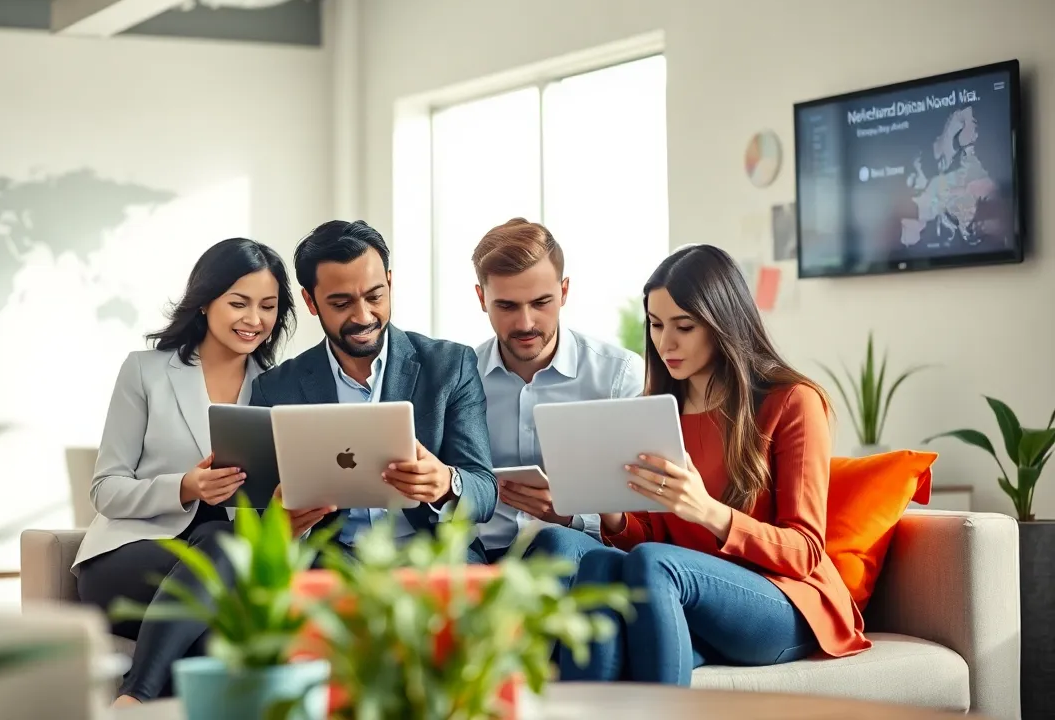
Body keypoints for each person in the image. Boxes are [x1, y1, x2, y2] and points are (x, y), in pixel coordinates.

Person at [529, 243, 870, 685]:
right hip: (687, 593)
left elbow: (804, 551)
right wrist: (607, 509)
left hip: (788, 600)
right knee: (595, 564)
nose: (665, 343)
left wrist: (707, 510)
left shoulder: (792, 401)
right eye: (655, 325)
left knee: (655, 564)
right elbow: (650, 536)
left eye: (684, 327)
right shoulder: (655, 409)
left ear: (723, 322)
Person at [71, 237, 297, 706]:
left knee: (218, 604)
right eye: (239, 303)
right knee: (221, 555)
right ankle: (137, 698)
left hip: (219, 575)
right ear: (205, 301)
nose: (254, 319)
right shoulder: (145, 372)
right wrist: (185, 487)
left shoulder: (279, 387)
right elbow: (105, 489)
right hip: (129, 558)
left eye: (268, 306)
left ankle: (133, 705)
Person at [251, 219, 498, 558]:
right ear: (311, 302)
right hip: (333, 560)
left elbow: (484, 491)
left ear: (390, 283)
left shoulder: (450, 366)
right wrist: (281, 526)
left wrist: (446, 483)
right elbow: (257, 519)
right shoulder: (275, 390)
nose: (363, 316)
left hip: (434, 555)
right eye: (341, 304)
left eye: (375, 296)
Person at [469, 218, 643, 563]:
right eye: (507, 306)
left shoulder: (617, 375)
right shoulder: (462, 376)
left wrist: (572, 515)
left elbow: (643, 512)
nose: (525, 323)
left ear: (564, 292)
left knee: (557, 543)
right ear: (481, 298)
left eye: (541, 302)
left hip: (576, 552)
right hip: (481, 554)